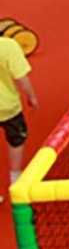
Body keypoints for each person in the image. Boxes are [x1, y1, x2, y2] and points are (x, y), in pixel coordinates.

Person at [0, 29, 36, 201]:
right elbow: (21, 77)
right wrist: (31, 96)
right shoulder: (8, 46)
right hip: (8, 108)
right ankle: (15, 177)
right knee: (16, 140)